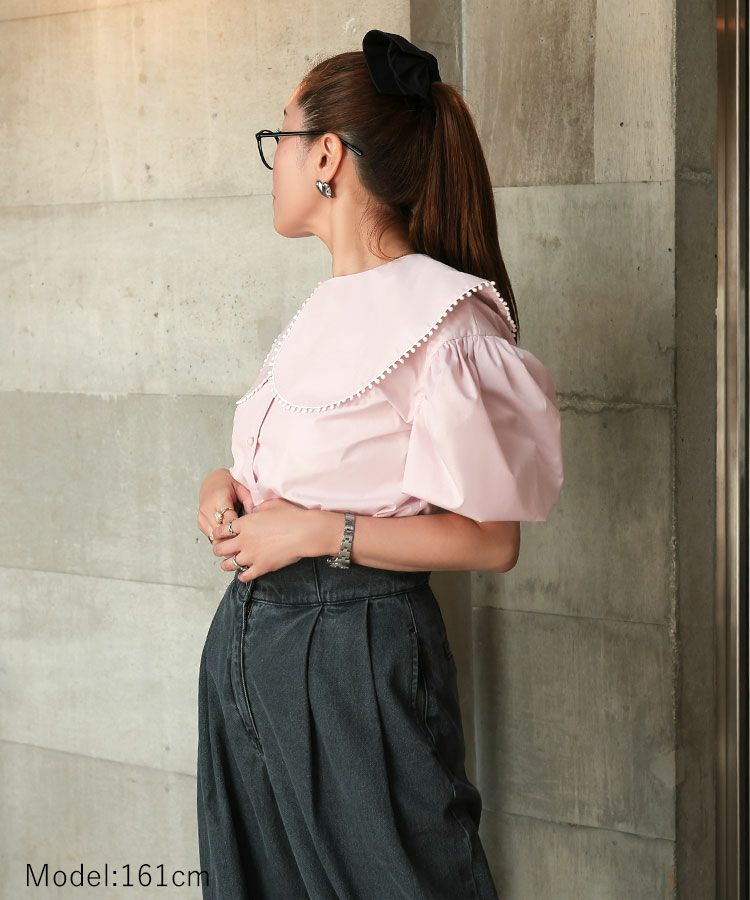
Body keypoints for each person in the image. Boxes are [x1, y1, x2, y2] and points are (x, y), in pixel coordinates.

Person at [194, 29, 564, 900]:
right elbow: (304, 473)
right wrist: (227, 489)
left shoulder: (447, 318)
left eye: (280, 139)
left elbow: (491, 540)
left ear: (325, 155)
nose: (274, 163)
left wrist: (314, 531)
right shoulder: (321, 309)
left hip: (355, 657)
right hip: (251, 649)